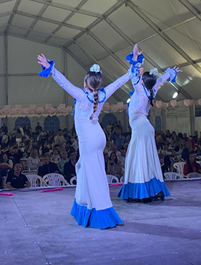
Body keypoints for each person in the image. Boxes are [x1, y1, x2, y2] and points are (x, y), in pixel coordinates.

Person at [37, 48, 133, 230]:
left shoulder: (82, 96)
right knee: (82, 169)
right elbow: (118, 83)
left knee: (94, 175)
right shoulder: (102, 94)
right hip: (98, 135)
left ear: (86, 83)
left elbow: (64, 83)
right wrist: (131, 71)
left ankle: (101, 211)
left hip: (89, 139)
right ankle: (82, 206)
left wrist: (51, 68)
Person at [118, 47, 177, 202]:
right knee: (148, 158)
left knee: (139, 158)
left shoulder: (140, 90)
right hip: (145, 127)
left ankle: (142, 191)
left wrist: (136, 59)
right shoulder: (152, 91)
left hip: (140, 128)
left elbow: (133, 76)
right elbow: (161, 80)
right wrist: (170, 72)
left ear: (142, 81)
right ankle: (152, 189)